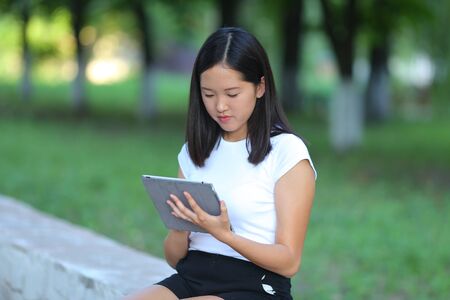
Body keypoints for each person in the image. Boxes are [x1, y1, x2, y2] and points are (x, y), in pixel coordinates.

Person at [126, 27, 316, 300]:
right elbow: (174, 258)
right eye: (209, 94)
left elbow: (289, 261)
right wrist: (181, 226)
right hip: (193, 276)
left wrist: (225, 235)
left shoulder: (287, 151)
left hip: (256, 285)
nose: (220, 106)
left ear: (260, 87)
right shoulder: (194, 150)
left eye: (232, 93)